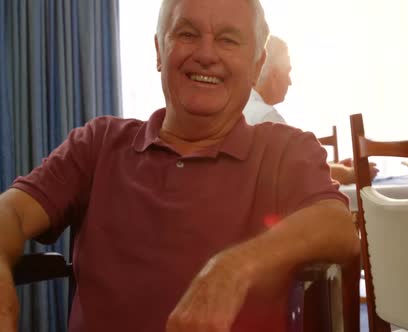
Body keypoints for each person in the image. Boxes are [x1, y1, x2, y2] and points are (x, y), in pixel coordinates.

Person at [0, 0, 360, 331]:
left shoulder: (285, 149)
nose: (206, 54)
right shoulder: (98, 144)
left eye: (228, 40)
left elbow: (337, 226)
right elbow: (12, 212)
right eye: (187, 34)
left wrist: (235, 267)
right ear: (160, 50)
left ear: (257, 66)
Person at [242, 35, 378, 184]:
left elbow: (298, 164)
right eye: (287, 72)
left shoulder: (244, 108)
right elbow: (308, 171)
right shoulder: (266, 117)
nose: (290, 81)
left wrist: (336, 167)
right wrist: (352, 174)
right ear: (274, 75)